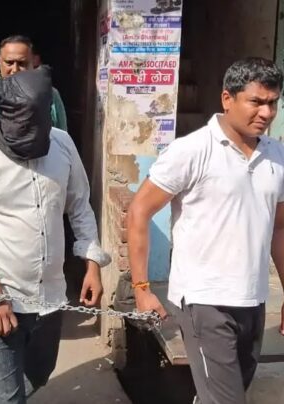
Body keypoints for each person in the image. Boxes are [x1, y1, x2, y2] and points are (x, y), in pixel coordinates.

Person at [0, 67, 110, 403]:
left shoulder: (62, 144)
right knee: (6, 397)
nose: (29, 133)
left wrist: (92, 265)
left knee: (40, 373)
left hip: (50, 295)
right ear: (2, 113)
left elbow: (79, 206)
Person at [127, 57, 284, 404]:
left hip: (254, 299)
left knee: (225, 392)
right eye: (256, 102)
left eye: (273, 103)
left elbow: (279, 228)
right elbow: (139, 211)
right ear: (227, 99)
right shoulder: (192, 151)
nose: (266, 113)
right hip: (205, 301)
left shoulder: (277, 155)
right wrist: (141, 288)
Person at [0, 35, 68, 136]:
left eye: (22, 63)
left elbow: (62, 140)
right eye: (9, 63)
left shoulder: (50, 95)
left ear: (33, 62)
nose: (15, 69)